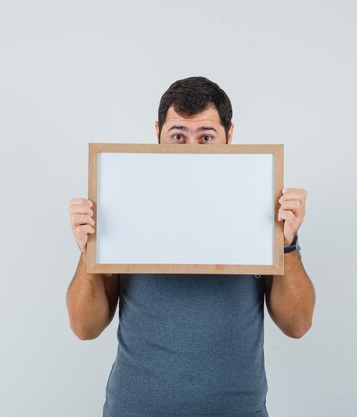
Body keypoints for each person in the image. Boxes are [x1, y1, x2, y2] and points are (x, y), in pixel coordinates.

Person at [66, 76, 316, 417]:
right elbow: (85, 327)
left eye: (206, 137)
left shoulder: (259, 205)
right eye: (178, 136)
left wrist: (286, 244)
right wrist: (89, 249)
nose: (193, 148)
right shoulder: (126, 201)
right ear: (157, 134)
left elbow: (297, 325)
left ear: (229, 136)